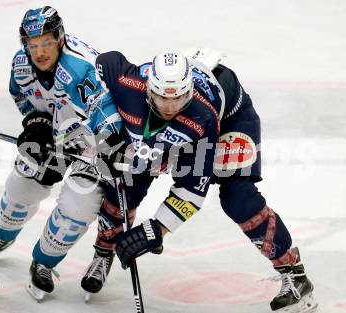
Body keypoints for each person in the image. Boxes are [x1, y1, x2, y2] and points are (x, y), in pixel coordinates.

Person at [82, 49, 317, 313]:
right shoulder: (129, 83)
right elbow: (105, 62)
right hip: (179, 123)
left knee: (238, 196)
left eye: (179, 98)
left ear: (190, 91)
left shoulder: (201, 118)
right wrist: (105, 129)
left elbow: (193, 191)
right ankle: (104, 251)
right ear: (149, 90)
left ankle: (294, 274)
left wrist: (155, 230)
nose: (170, 107)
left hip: (228, 119)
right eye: (162, 98)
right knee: (128, 177)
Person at [0, 6, 121, 301]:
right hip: (58, 131)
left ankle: (44, 262)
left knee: (78, 204)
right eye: (33, 45)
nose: (39, 52)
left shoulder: (82, 69)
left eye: (46, 43)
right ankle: (1, 236)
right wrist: (35, 122)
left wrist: (107, 150)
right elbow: (22, 96)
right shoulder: (21, 64)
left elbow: (108, 117)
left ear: (60, 39)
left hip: (91, 141)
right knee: (23, 182)